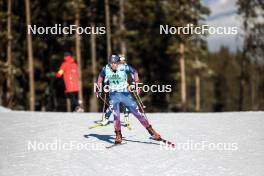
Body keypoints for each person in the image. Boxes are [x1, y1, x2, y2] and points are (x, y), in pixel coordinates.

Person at [96, 54, 161, 144]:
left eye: (116, 63)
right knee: (116, 115)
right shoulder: (105, 68)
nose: (114, 65)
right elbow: (100, 77)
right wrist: (98, 88)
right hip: (113, 95)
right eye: (112, 63)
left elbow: (134, 72)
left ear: (118, 63)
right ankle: (118, 135)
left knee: (137, 113)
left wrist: (136, 84)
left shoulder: (124, 67)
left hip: (125, 94)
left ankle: (151, 131)